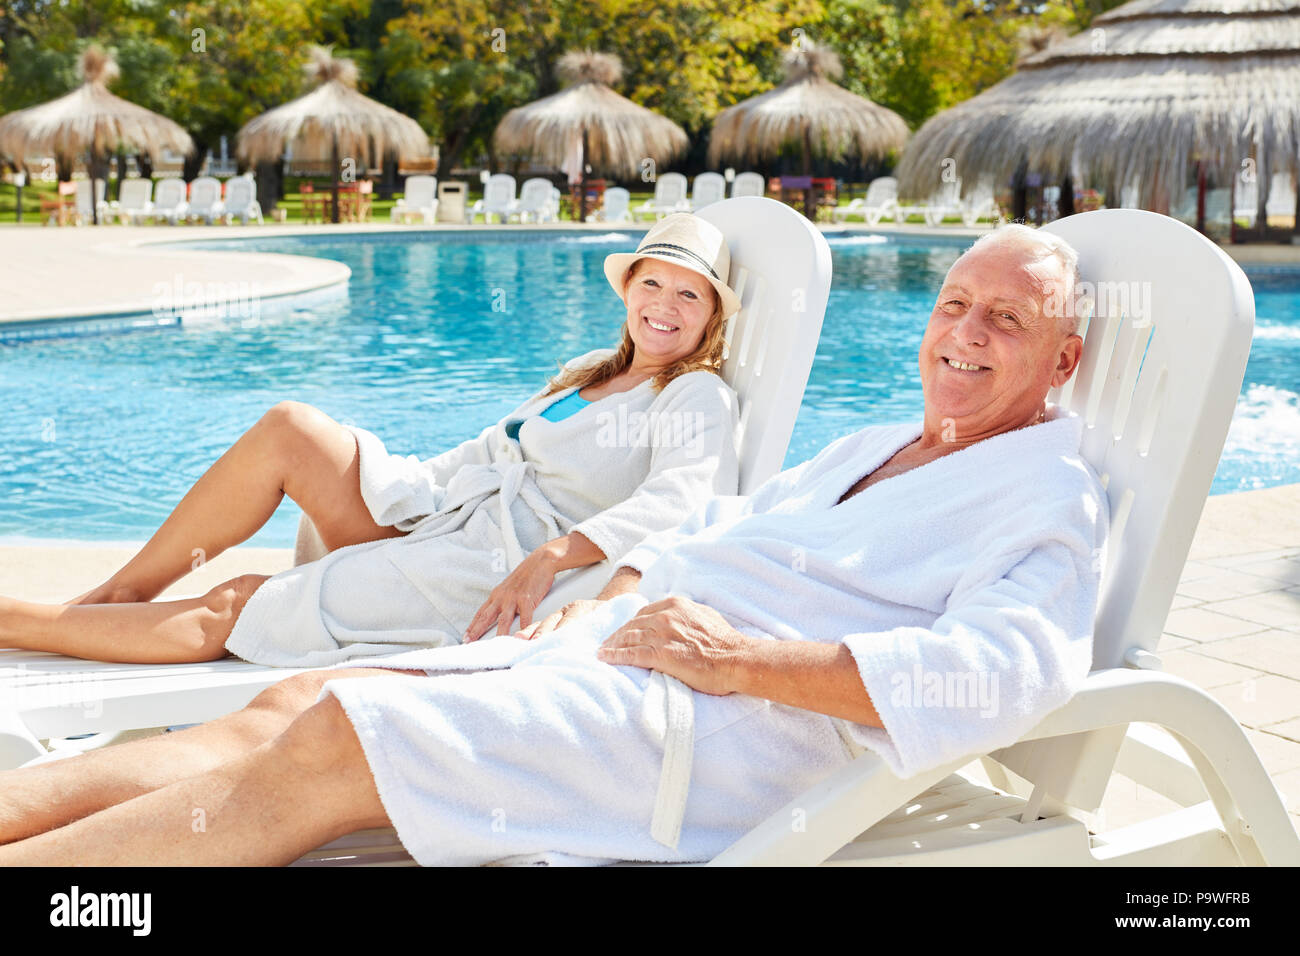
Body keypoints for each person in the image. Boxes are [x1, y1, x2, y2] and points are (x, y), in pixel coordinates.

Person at [0, 223, 1109, 866]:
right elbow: (717, 526)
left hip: (715, 725)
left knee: (338, 732)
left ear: (1061, 363)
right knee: (285, 705)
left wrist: (738, 662)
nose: (961, 334)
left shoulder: (1045, 493)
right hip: (613, 646)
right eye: (953, 304)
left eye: (1003, 321)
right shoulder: (875, 443)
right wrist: (609, 590)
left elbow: (1004, 668)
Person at [0, 214, 743, 666]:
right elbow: (489, 452)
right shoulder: (589, 374)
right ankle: (121, 595)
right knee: (291, 429)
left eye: (690, 294)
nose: (665, 306)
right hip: (443, 511)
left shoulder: (692, 394)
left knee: (240, 605)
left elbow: (682, 500)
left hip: (483, 563)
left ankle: (17, 622)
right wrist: (398, 487)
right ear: (629, 290)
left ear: (711, 316)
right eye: (654, 283)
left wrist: (555, 555)